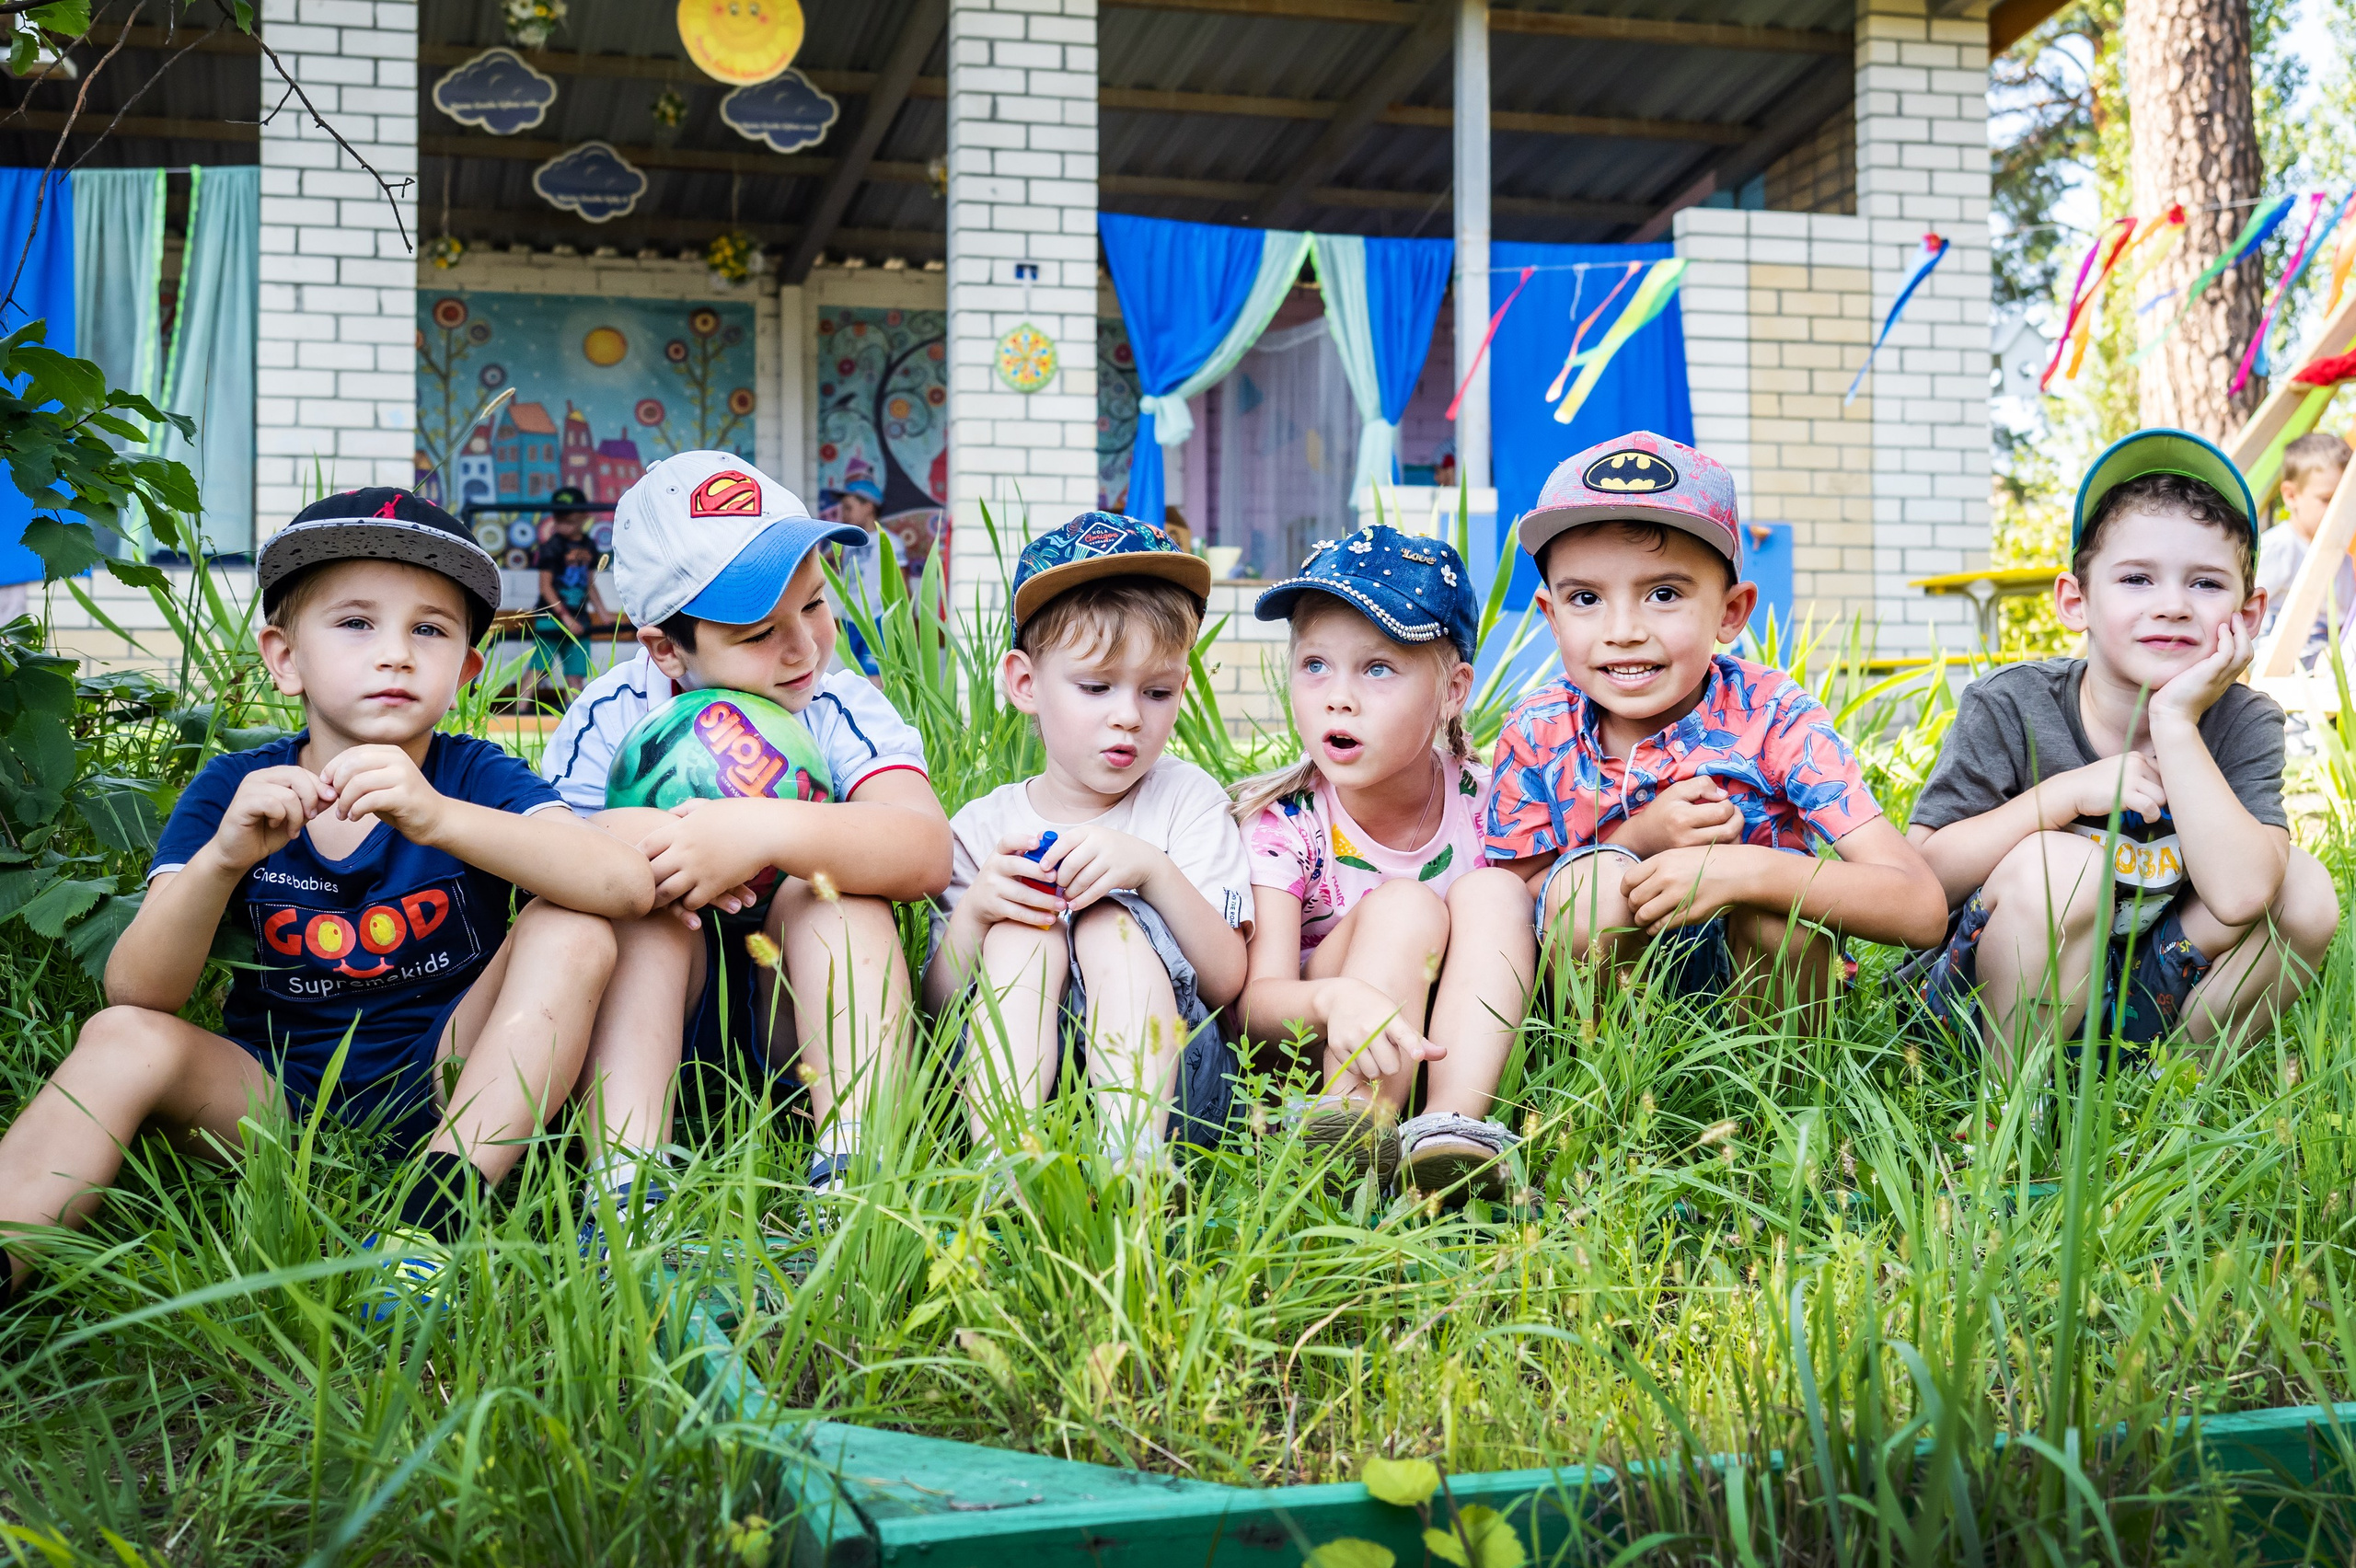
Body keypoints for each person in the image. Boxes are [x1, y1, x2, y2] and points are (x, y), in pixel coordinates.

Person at [0, 490, 658, 1313]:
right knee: (119, 1038)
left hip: (453, 1079)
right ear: (284, 657)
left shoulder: (473, 775)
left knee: (573, 923)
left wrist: (438, 815)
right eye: (355, 623)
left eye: (429, 628)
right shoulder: (235, 788)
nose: (396, 654)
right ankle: (7, 1250)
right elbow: (140, 994)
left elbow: (623, 887)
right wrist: (220, 861)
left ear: (465, 670)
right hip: (275, 1103)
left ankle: (436, 1213)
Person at [542, 453, 951, 1210]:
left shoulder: (838, 704)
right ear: (667, 648)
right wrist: (648, 839)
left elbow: (925, 849)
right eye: (761, 633)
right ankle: (627, 1183)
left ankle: (856, 1164)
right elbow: (549, 865)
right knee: (639, 909)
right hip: (652, 1019)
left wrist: (765, 828)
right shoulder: (610, 714)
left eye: (817, 605)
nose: (804, 648)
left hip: (793, 1024)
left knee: (835, 893)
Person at [1904, 429, 2340, 1070]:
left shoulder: (2243, 722)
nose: (2172, 606)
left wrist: (2175, 722)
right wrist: (2061, 798)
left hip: (2139, 996)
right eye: (2137, 579)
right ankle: (2005, 1113)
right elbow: (1921, 883)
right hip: (1980, 1002)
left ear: (2248, 616)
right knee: (2065, 868)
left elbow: (2245, 895)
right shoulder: (2010, 705)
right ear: (2075, 602)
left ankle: (2164, 1091)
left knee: (2303, 887)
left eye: (2206, 584)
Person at [1486, 432, 1947, 1019]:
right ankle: (1609, 1092)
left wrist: (1742, 871)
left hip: (1758, 995)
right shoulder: (1537, 730)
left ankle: (1781, 1104)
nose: (1623, 628)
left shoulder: (1775, 715)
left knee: (1783, 926)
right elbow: (1516, 905)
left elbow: (1920, 906)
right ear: (1551, 616)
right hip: (1604, 1003)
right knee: (1589, 897)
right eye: (1585, 598)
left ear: (1731, 612)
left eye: (1662, 593)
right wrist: (1640, 840)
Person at [920, 513, 1250, 1170]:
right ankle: (1003, 1172)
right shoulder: (985, 827)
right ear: (1024, 684)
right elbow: (934, 1011)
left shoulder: (1186, 800)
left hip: (1175, 1091)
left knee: (1110, 923)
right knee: (1021, 927)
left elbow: (1228, 980)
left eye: (1156, 691)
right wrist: (977, 914)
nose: (1128, 714)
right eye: (1096, 687)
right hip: (998, 1079)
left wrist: (1152, 872)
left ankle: (1133, 1168)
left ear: (1182, 687)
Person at [1232, 525, 1535, 1196]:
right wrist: (1334, 998)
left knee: (1496, 894)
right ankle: (1351, 1125)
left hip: (1450, 1047)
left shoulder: (1489, 801)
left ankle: (1449, 1126)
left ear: (1453, 690)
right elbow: (1252, 1007)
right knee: (1402, 906)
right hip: (1325, 1051)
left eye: (1378, 668)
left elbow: (1527, 948)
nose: (1338, 696)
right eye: (1315, 665)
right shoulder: (1286, 822)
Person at [2253, 431, 2353, 654]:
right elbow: (2240, 610)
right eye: (2327, 500)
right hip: (2279, 663)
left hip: (2330, 666)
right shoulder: (2280, 547)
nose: (2338, 510)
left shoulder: (2343, 560)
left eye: (2346, 500)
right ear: (2291, 496)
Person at [525, 494, 610, 702]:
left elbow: (589, 583)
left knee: (576, 674)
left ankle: (573, 717)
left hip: (579, 620)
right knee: (539, 666)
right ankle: (520, 712)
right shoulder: (552, 546)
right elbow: (545, 587)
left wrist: (602, 612)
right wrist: (565, 617)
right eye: (559, 519)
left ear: (583, 516)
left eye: (569, 520)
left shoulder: (588, 545)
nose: (563, 525)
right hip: (550, 618)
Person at [828, 468, 903, 676]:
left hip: (877, 621)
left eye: (848, 507)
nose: (844, 514)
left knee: (876, 680)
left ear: (869, 506)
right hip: (849, 621)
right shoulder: (848, 543)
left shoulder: (891, 542)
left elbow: (902, 587)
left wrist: (904, 626)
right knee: (848, 676)